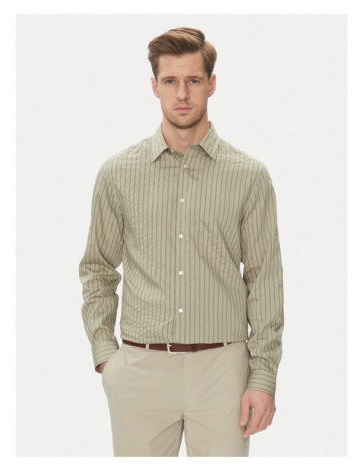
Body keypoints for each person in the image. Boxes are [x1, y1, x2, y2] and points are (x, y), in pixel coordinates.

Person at [78, 26, 285, 457]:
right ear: (154, 86)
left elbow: (264, 279)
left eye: (193, 80)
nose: (183, 93)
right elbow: (97, 268)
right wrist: (106, 355)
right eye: (170, 81)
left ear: (212, 84)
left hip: (223, 371)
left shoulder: (249, 176)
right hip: (140, 369)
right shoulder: (118, 173)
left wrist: (263, 376)